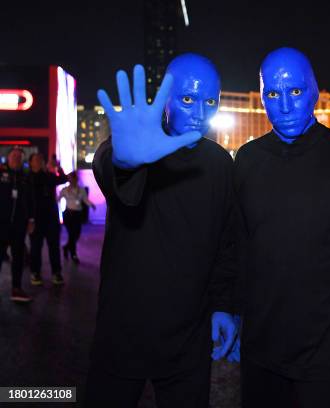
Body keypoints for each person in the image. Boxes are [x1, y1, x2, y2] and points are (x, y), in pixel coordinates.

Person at [233, 47, 330, 408]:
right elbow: (239, 246)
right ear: (262, 99)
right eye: (273, 94)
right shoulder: (247, 160)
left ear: (316, 91)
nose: (285, 105)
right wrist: (229, 309)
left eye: (296, 91)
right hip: (262, 350)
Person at [85, 54, 238, 408]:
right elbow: (112, 167)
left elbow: (226, 243)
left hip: (189, 339)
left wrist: (224, 307)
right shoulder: (133, 148)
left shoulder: (219, 164)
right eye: (188, 99)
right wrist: (127, 161)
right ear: (164, 99)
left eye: (210, 101)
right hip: (123, 334)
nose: (200, 112)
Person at [0, 147, 34, 302]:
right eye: (14, 157)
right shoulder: (1, 174)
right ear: (8, 158)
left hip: (19, 225)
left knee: (18, 257)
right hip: (1, 224)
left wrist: (31, 219)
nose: (16, 159)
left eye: (19, 157)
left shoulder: (24, 177)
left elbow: (30, 200)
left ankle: (16, 288)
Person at [27, 152, 67, 285]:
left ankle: (56, 273)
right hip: (35, 219)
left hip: (51, 218)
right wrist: (28, 219)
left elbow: (64, 179)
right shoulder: (27, 178)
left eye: (40, 159)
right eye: (36, 159)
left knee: (54, 247)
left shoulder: (48, 176)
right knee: (35, 248)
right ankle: (35, 273)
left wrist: (58, 167)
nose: (39, 161)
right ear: (31, 162)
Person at [59, 171, 96, 264]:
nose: (72, 180)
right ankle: (73, 255)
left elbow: (85, 200)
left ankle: (66, 247)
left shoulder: (82, 190)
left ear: (76, 179)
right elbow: (58, 198)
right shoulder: (65, 190)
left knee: (77, 234)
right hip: (68, 214)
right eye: (71, 178)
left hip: (77, 215)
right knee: (72, 234)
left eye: (74, 179)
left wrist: (92, 205)